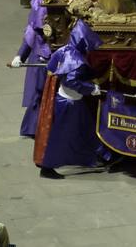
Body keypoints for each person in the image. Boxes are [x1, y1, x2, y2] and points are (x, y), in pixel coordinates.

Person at [35, 20, 111, 177]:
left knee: (87, 128)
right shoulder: (75, 59)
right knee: (61, 136)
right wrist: (91, 89)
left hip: (70, 100)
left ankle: (101, 156)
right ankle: (47, 167)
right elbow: (71, 81)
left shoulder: (65, 50)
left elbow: (52, 67)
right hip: (69, 103)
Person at [9, 0, 51, 138]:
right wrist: (19, 56)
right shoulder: (34, 27)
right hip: (39, 60)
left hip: (55, 58)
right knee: (37, 94)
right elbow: (28, 41)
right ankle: (33, 128)